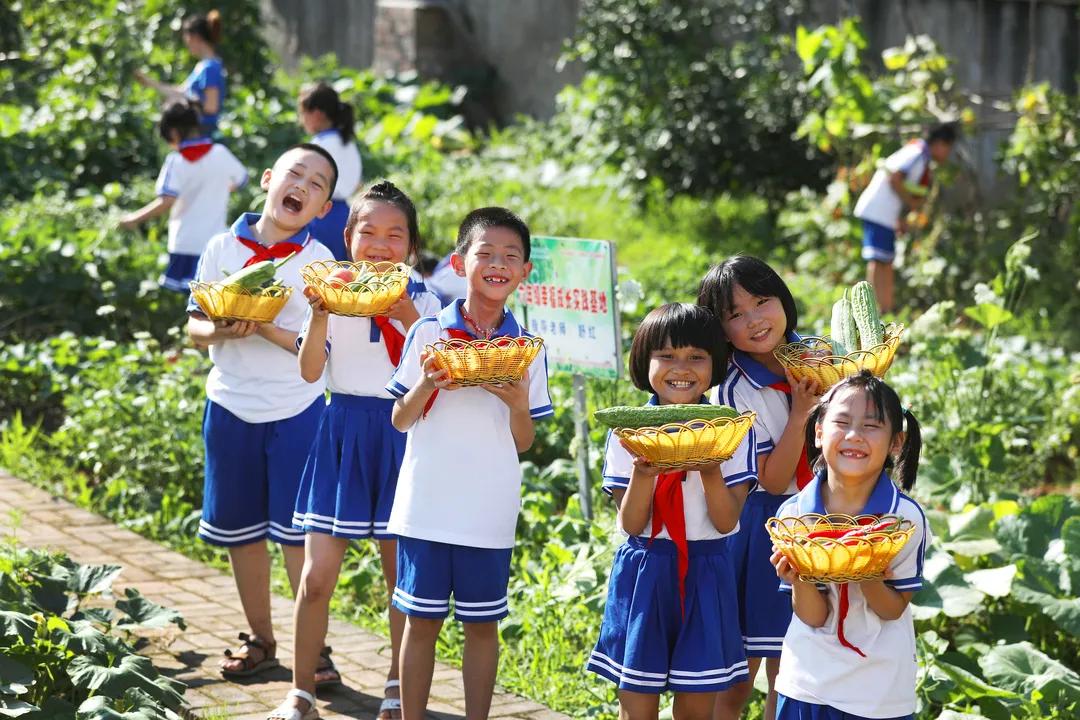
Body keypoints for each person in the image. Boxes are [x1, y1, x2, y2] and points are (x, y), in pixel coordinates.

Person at [268, 181, 441, 720]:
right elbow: (311, 371)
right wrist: (320, 312)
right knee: (317, 577)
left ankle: (395, 688)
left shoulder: (426, 297)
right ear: (348, 237)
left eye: (396, 235)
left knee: (398, 579)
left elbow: (437, 365)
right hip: (341, 431)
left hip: (401, 437)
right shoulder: (328, 287)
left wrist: (404, 312)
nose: (381, 244)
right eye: (369, 232)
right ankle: (300, 694)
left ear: (411, 247)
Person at [385, 207, 553, 720]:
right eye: (485, 253)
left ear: (526, 272)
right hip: (426, 503)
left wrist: (517, 403)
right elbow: (399, 418)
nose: (497, 264)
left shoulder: (526, 349)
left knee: (482, 625)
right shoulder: (430, 331)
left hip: (489, 507)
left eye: (511, 256)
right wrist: (427, 382)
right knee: (421, 622)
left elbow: (523, 441)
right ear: (459, 263)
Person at [185, 143, 337, 684]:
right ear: (270, 179)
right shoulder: (221, 246)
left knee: (298, 537)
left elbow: (321, 355)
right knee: (241, 534)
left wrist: (266, 326)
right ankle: (262, 639)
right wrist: (223, 328)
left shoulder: (319, 264)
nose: (303, 185)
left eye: (318, 183)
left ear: (323, 208)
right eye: (295, 173)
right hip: (229, 404)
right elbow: (194, 326)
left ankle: (313, 650)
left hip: (296, 410)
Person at [586, 303, 755, 720]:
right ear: (644, 361)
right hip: (645, 567)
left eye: (697, 356)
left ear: (716, 365)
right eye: (667, 355)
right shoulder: (629, 431)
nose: (682, 367)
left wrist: (710, 466)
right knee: (637, 702)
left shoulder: (731, 431)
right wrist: (644, 471)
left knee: (697, 703)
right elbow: (629, 523)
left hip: (707, 570)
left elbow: (726, 521)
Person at [697, 256, 822, 720]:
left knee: (791, 671)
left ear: (783, 300)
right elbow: (770, 478)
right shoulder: (735, 390)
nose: (754, 320)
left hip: (822, 520)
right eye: (735, 314)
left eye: (763, 302)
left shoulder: (820, 357)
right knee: (739, 673)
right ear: (721, 330)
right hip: (764, 528)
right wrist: (801, 412)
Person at [771, 371, 929, 720]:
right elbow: (813, 615)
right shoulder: (794, 514)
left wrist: (867, 571)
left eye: (872, 426)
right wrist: (799, 577)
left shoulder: (903, 519)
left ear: (896, 443)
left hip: (879, 691)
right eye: (841, 422)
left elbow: (892, 609)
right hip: (805, 681)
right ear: (818, 432)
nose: (854, 436)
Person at [118, 100, 247, 292]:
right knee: (213, 301)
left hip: (185, 243)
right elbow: (240, 179)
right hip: (215, 243)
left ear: (173, 133)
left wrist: (133, 219)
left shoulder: (176, 161)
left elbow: (166, 200)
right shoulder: (221, 153)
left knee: (189, 306)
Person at [853, 122, 958, 313]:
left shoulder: (921, 156)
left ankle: (885, 310)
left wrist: (901, 217)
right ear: (941, 143)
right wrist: (910, 202)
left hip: (885, 214)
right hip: (878, 210)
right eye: (948, 148)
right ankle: (872, 312)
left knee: (885, 261)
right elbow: (895, 179)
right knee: (878, 260)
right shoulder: (916, 153)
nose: (948, 154)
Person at [299, 82, 363, 261]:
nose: (301, 119)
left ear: (317, 114)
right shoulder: (348, 143)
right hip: (345, 215)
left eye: (303, 114)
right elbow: (357, 182)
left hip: (319, 215)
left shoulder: (319, 145)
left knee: (315, 272)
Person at [135, 10, 227, 135]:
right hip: (198, 133)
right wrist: (151, 83)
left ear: (196, 38)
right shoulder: (204, 66)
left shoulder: (209, 68)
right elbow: (182, 91)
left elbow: (211, 106)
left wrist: (183, 105)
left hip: (204, 135)